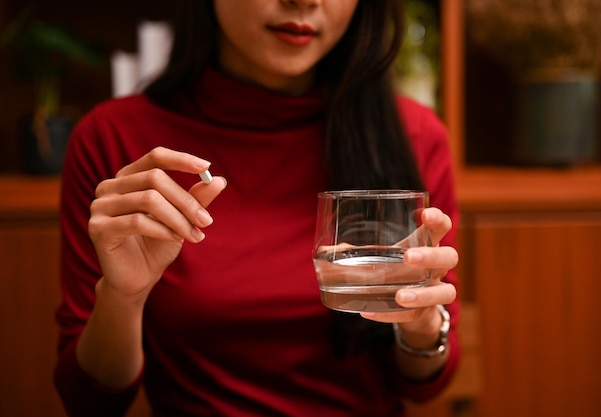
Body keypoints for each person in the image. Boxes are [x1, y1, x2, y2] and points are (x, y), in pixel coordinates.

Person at [53, 0, 461, 416]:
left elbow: (425, 386)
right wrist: (124, 297)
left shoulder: (414, 135)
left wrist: (423, 323)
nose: (304, 1)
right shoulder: (118, 144)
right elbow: (90, 402)